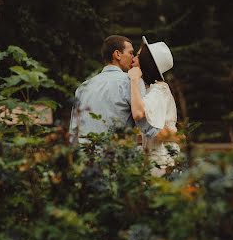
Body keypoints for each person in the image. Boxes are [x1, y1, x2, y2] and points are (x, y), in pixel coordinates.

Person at [69, 35, 160, 143]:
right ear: (117, 54)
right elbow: (146, 126)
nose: (133, 58)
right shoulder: (132, 82)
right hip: (115, 155)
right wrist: (172, 136)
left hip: (87, 155)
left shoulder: (83, 87)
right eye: (130, 53)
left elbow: (74, 131)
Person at [128, 36, 180, 176]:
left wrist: (134, 80)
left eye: (138, 56)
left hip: (161, 162)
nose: (133, 59)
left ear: (146, 62)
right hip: (155, 160)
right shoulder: (152, 89)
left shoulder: (159, 90)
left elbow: (139, 113)